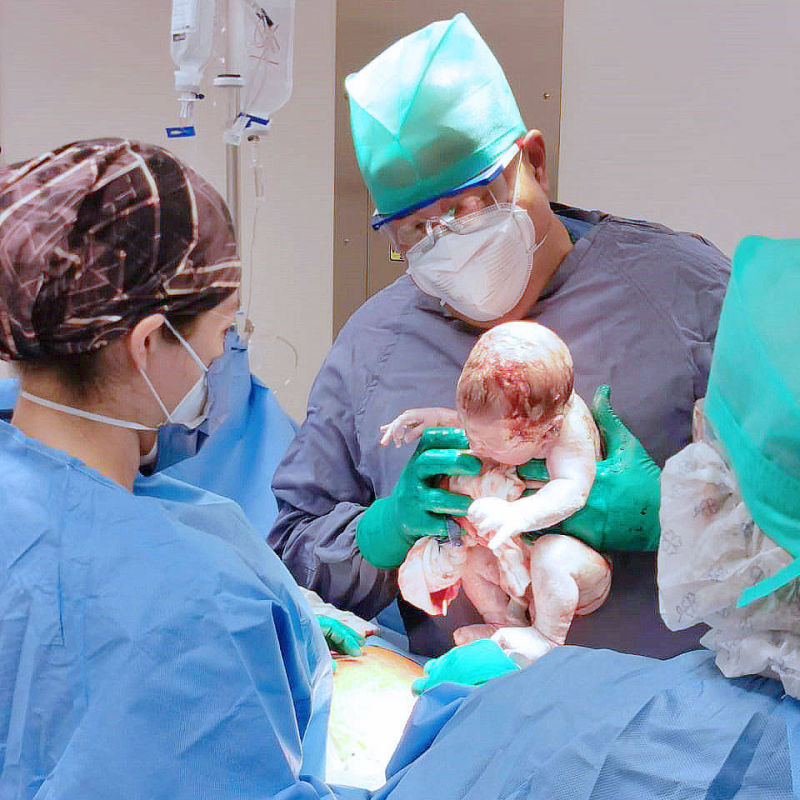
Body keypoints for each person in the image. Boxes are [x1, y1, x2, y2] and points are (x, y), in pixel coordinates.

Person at [269, 12, 731, 661]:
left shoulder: (684, 294)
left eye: (466, 206)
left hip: (670, 709)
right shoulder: (375, 345)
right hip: (472, 706)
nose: (446, 242)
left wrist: (677, 514)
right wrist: (381, 532)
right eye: (413, 229)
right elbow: (292, 553)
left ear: (533, 163)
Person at [381, 320, 612, 664]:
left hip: (577, 570)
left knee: (553, 553)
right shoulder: (520, 422)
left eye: (488, 445)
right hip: (520, 556)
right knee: (472, 557)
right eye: (470, 433)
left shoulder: (567, 429)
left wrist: (518, 514)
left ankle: (547, 637)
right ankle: (502, 623)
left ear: (548, 434)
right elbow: (484, 426)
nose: (475, 447)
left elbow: (573, 489)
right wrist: (435, 418)